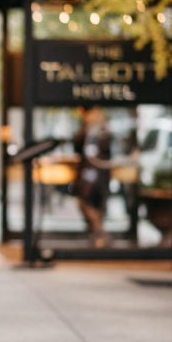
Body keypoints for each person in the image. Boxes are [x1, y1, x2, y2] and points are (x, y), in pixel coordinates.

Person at [73, 106, 112, 247]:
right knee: (93, 203)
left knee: (88, 202)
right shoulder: (101, 130)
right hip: (98, 173)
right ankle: (98, 233)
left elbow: (78, 146)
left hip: (92, 172)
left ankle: (99, 231)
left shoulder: (96, 130)